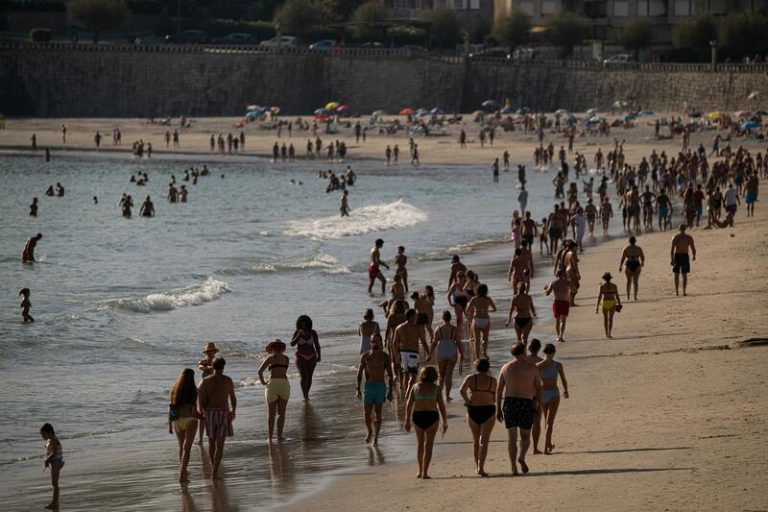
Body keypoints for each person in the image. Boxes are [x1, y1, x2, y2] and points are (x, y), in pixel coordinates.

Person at [496, 342, 542, 476]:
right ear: (524, 352)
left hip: (509, 402)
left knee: (511, 438)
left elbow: (499, 389)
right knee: (525, 436)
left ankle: (513, 467)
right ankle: (521, 456)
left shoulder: (505, 367)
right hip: (525, 402)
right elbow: (539, 388)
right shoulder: (532, 367)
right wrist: (538, 405)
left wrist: (498, 407)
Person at [404, 366, 447, 479]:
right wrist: (445, 421)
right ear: (434, 376)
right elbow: (441, 406)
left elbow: (408, 406)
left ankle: (419, 470)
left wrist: (407, 420)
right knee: (428, 445)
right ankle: (425, 472)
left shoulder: (415, 387)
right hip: (432, 416)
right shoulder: (436, 388)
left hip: (418, 416)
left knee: (420, 445)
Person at [198, 357, 236, 480]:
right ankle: (214, 472)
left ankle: (213, 467)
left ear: (212, 367)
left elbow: (201, 400)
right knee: (220, 445)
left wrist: (203, 413)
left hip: (210, 413)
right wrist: (233, 411)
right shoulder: (228, 380)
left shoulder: (205, 381)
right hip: (223, 413)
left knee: (211, 443)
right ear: (223, 367)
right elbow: (233, 398)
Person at [459, 358, 497, 476]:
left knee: (476, 441)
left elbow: (462, 390)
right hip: (488, 410)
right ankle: (481, 467)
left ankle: (477, 467)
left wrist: (467, 400)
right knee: (484, 442)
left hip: (473, 409)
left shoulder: (471, 378)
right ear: (488, 368)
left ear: (476, 367)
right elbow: (495, 397)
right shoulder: (493, 380)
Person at [356, 333, 394, 445]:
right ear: (370, 342)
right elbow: (359, 373)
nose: (375, 343)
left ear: (381, 341)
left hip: (380, 386)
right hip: (368, 386)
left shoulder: (385, 356)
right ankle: (369, 431)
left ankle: (376, 437)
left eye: (377, 341)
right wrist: (357, 388)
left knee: (378, 412)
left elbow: (391, 375)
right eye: (373, 341)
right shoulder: (365, 355)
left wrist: (391, 391)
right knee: (366, 413)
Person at [168, 368, 200, 482]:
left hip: (177, 421)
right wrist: (202, 417)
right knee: (187, 449)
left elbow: (171, 408)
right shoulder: (194, 391)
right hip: (190, 420)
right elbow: (194, 411)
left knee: (181, 447)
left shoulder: (174, 390)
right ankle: (182, 475)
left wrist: (169, 425)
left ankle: (184, 471)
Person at [537, 344, 569, 454]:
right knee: (550, 422)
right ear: (554, 353)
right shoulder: (558, 365)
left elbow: (534, 382)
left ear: (544, 352)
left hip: (542, 394)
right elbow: (563, 379)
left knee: (546, 420)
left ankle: (548, 444)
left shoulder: (538, 366)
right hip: (554, 393)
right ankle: (546, 447)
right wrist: (565, 390)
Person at [258, 339, 290, 442]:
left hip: (272, 384)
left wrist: (263, 382)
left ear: (272, 348)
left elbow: (259, 371)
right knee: (281, 413)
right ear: (281, 348)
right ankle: (280, 436)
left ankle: (270, 437)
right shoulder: (286, 358)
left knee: (271, 414)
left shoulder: (271, 358)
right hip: (284, 384)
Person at [393, 309, 429, 396]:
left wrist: (396, 355)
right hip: (413, 353)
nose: (417, 317)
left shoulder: (399, 327)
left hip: (402, 353)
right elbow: (423, 341)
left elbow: (394, 343)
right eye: (416, 315)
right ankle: (408, 393)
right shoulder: (418, 327)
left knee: (405, 374)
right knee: (413, 375)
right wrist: (428, 353)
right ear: (412, 316)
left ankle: (407, 393)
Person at [429, 310, 463, 402]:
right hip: (452, 349)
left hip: (442, 350)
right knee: (449, 375)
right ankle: (447, 396)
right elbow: (458, 342)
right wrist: (461, 353)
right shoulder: (454, 329)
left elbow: (434, 342)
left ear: (442, 318)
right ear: (450, 318)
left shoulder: (438, 329)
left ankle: (439, 395)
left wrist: (430, 354)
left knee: (441, 375)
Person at [290, 315, 321, 401]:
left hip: (312, 356)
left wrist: (319, 356)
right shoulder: (297, 332)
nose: (303, 326)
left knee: (309, 376)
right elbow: (292, 344)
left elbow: (317, 345)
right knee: (304, 376)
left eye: (305, 324)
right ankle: (305, 395)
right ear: (299, 324)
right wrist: (298, 335)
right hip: (300, 356)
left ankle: (306, 393)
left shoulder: (313, 333)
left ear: (308, 324)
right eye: (301, 324)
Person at [465, 284, 497, 362]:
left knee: (477, 340)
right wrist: (487, 310)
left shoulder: (474, 299)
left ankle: (477, 358)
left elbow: (467, 309)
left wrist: (472, 314)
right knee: (485, 338)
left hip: (477, 319)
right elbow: (495, 309)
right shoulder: (488, 299)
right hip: (485, 319)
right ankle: (484, 352)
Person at [196, 342, 219, 444]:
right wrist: (207, 368)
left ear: (214, 352)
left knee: (214, 413)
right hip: (203, 390)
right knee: (201, 414)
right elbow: (200, 366)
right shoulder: (203, 362)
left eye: (211, 351)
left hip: (214, 390)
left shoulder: (217, 362)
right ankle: (200, 438)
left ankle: (214, 434)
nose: (210, 353)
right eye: (208, 351)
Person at [40, 423, 64, 509]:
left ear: (49, 432)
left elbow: (54, 452)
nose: (42, 437)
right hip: (54, 461)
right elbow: (49, 451)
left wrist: (47, 460)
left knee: (54, 483)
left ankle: (55, 502)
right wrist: (47, 459)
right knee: (54, 483)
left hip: (56, 462)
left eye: (43, 434)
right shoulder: (50, 440)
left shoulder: (53, 439)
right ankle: (55, 502)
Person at [544, 270, 571, 342]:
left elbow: (547, 293)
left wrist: (545, 289)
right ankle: (561, 336)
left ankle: (558, 336)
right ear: (563, 274)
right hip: (565, 302)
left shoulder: (553, 283)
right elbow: (574, 290)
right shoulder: (567, 282)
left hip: (557, 302)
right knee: (563, 320)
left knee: (557, 320)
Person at [671, 224, 696, 296]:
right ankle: (682, 291)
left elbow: (672, 250)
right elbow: (693, 247)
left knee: (678, 274)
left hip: (679, 255)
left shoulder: (676, 237)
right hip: (683, 255)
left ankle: (678, 291)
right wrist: (694, 255)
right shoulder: (688, 237)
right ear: (685, 229)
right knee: (683, 274)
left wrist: (672, 259)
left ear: (680, 229)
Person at [596, 272, 621, 338]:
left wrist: (597, 307)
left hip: (605, 302)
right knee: (611, 318)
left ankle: (606, 332)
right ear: (610, 278)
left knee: (605, 319)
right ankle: (609, 333)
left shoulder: (602, 286)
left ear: (604, 279)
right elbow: (617, 296)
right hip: (612, 302)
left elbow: (599, 297)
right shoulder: (614, 286)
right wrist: (619, 303)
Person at [619, 236, 645, 300]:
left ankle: (628, 296)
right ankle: (635, 297)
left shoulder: (626, 248)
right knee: (635, 282)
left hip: (628, 264)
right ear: (635, 241)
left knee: (628, 281)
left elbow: (623, 258)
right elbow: (642, 257)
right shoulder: (639, 248)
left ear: (629, 241)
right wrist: (642, 263)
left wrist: (620, 266)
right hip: (636, 264)